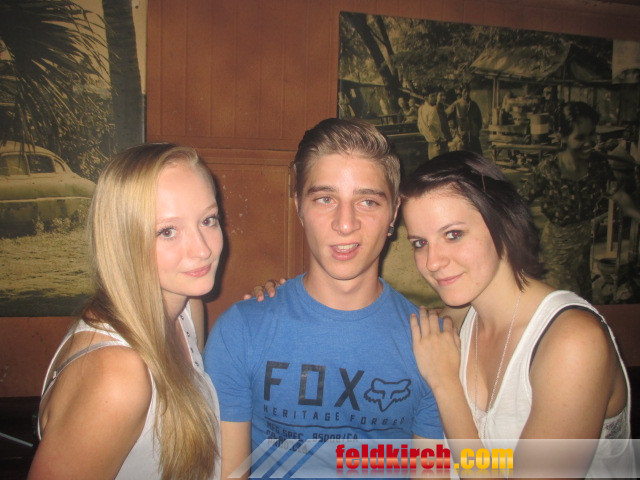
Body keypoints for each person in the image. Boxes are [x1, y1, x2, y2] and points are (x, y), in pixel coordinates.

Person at [204, 118, 443, 479]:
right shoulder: (241, 331)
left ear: (394, 213)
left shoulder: (431, 346)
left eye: (367, 201)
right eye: (325, 199)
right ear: (298, 205)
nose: (345, 223)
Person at [402, 151, 633, 477]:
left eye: (453, 234)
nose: (432, 262)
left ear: (503, 223)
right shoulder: (460, 317)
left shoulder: (573, 341)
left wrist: (445, 384)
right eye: (419, 243)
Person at [29, 144, 222, 480]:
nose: (203, 249)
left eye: (208, 220)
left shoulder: (188, 308)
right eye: (167, 231)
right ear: (123, 239)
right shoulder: (117, 375)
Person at [519, 101, 640, 300]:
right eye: (580, 137)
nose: (589, 142)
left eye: (592, 134)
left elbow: (618, 194)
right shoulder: (549, 168)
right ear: (563, 137)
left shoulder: (598, 164)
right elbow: (518, 202)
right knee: (565, 303)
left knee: (582, 298)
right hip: (556, 254)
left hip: (583, 251)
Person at [447, 84, 483, 154]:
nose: (467, 94)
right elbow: (449, 118)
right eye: (465, 92)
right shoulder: (456, 104)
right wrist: (456, 131)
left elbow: (479, 120)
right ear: (461, 92)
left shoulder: (474, 104)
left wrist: (476, 130)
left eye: (468, 91)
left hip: (474, 137)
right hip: (462, 137)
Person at [418, 86, 448, 160]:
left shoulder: (421, 108)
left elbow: (420, 126)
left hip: (429, 143)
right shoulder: (432, 109)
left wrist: (428, 136)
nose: (435, 98)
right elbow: (432, 125)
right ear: (425, 98)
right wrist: (437, 138)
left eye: (435, 95)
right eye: (432, 96)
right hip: (437, 143)